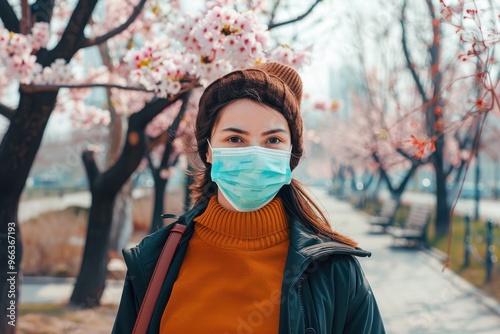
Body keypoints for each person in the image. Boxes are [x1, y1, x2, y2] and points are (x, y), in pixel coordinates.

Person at [112, 62, 385, 333]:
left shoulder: (335, 273)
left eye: (273, 140)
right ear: (208, 151)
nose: (255, 153)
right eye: (235, 139)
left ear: (291, 156)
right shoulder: (154, 260)